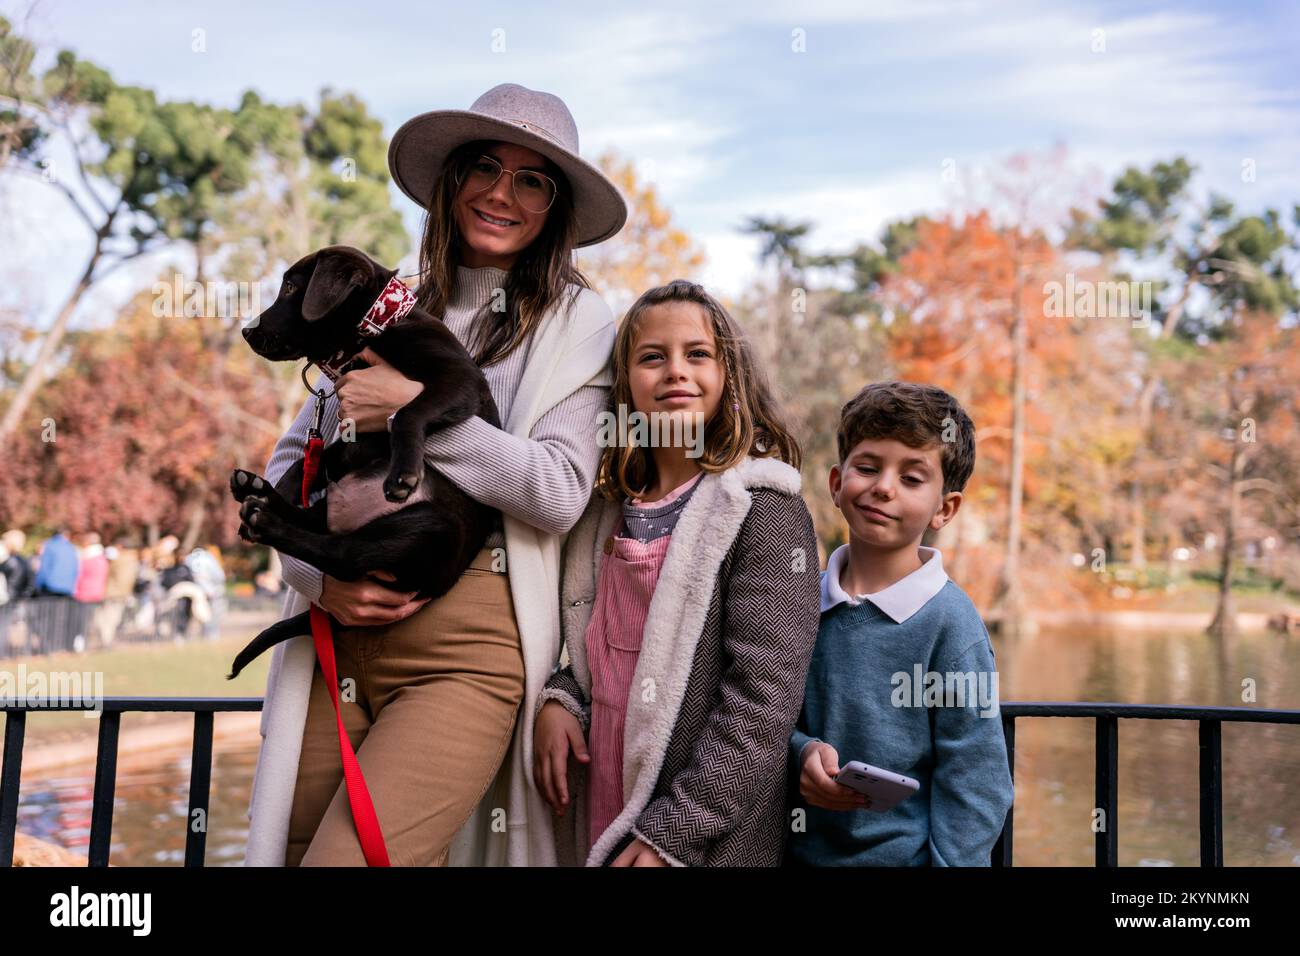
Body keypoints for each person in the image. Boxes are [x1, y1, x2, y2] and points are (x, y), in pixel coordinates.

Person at [244, 83, 628, 867]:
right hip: (337, 627)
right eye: (483, 167)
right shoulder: (384, 304)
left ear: (554, 210)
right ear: (451, 183)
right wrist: (319, 579)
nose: (500, 193)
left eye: (532, 180)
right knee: (290, 854)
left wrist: (417, 414)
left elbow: (557, 491)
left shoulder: (582, 325)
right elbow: (291, 465)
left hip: (465, 638)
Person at [533, 280, 821, 866]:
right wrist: (563, 698)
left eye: (697, 354)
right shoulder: (603, 511)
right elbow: (600, 652)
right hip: (606, 795)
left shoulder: (762, 507)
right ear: (624, 386)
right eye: (651, 357)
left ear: (729, 376)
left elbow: (761, 702)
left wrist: (675, 832)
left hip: (700, 827)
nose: (674, 371)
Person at [786, 381, 1014, 866]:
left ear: (945, 509)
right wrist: (802, 753)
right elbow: (766, 715)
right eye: (868, 468)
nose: (884, 487)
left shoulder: (952, 626)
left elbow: (977, 782)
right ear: (835, 483)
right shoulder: (798, 600)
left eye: (912, 479)